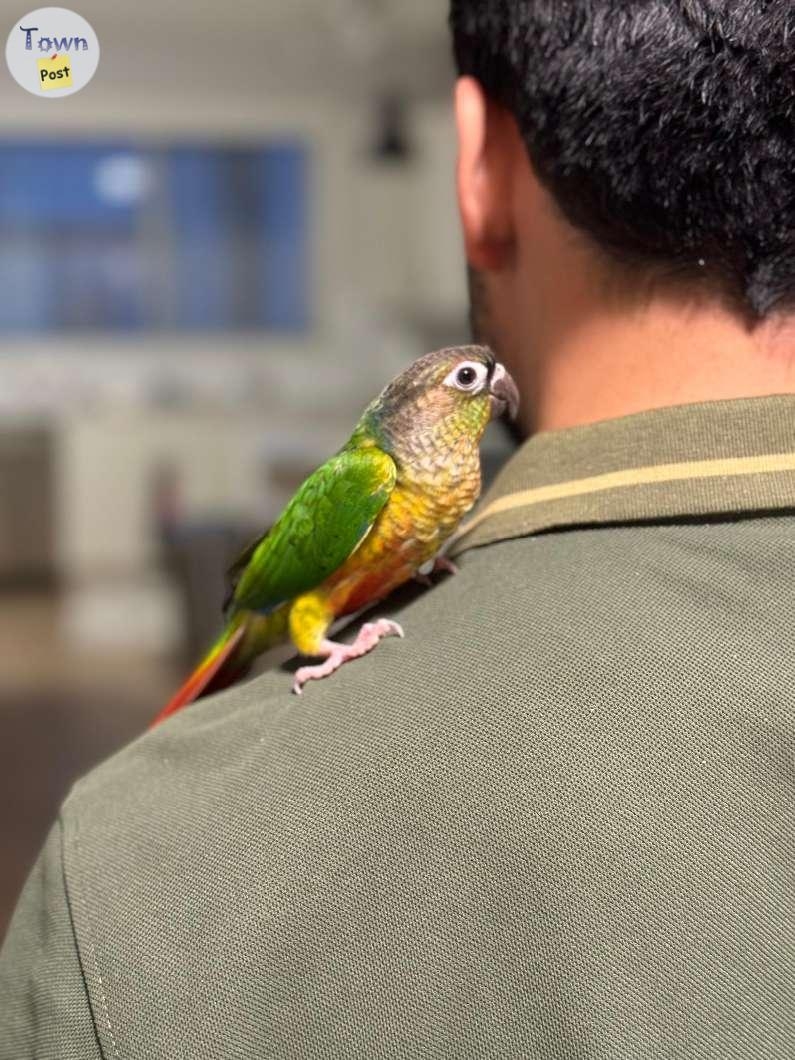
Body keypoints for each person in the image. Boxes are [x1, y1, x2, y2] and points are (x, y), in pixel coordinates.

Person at [3, 1, 795, 1055]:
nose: (490, 386)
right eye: (466, 381)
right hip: (291, 611)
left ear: (476, 168)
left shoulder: (128, 862)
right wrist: (323, 635)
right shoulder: (366, 472)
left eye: (482, 378)